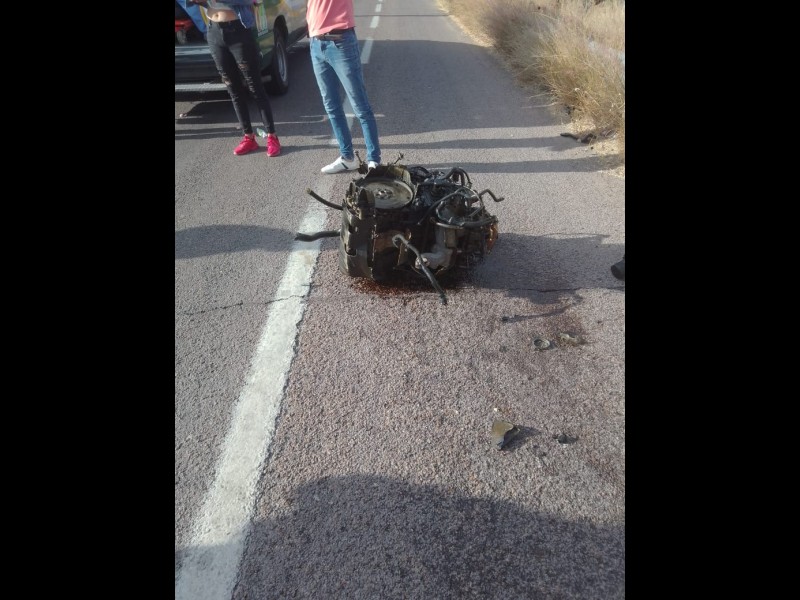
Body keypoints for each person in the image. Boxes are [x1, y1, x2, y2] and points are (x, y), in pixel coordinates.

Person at [187, 0, 281, 157]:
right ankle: (248, 137)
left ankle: (272, 136)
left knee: (255, 87)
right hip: (214, 31)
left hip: (238, 31)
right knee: (233, 89)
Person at [307, 0, 381, 173]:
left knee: (360, 104)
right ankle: (347, 158)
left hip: (341, 41)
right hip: (316, 44)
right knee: (331, 105)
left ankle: (374, 160)